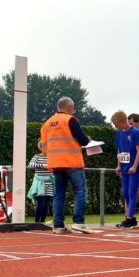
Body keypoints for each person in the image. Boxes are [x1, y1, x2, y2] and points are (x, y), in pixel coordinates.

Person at [40, 97, 94, 234]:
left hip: (55, 163)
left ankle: (58, 226)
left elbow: (44, 146)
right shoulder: (70, 120)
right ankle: (78, 222)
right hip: (72, 162)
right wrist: (87, 139)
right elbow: (82, 141)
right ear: (69, 108)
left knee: (59, 194)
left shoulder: (47, 124)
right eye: (73, 109)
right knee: (80, 191)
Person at [112, 110, 139, 229]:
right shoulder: (119, 133)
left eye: (116, 124)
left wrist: (135, 166)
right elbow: (119, 151)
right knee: (125, 192)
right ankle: (131, 217)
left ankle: (130, 218)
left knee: (132, 193)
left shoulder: (136, 132)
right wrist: (118, 165)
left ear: (122, 121)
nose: (116, 127)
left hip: (134, 167)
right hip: (125, 166)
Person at [27, 140, 53, 223]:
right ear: (40, 148)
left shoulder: (52, 156)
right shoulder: (37, 156)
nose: (47, 148)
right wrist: (43, 166)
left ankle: (42, 222)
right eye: (45, 146)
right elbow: (30, 165)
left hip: (49, 182)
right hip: (39, 183)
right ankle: (37, 222)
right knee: (41, 203)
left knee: (46, 204)